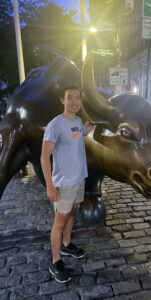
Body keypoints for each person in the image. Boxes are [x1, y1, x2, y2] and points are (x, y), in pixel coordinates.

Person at [41, 85, 93, 283]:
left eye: (77, 97)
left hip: (79, 179)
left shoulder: (78, 121)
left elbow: (83, 132)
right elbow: (44, 157)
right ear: (62, 100)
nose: (74, 101)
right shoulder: (55, 125)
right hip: (63, 183)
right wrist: (50, 185)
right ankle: (55, 261)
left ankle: (66, 243)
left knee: (71, 213)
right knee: (59, 222)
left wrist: (94, 124)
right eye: (70, 97)